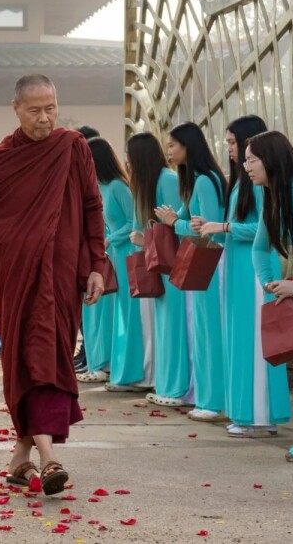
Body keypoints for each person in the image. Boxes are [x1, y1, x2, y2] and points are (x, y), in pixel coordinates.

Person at [0, 74, 106, 495]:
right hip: (17, 277)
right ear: (16, 109)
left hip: (62, 274)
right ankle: (48, 458)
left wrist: (97, 264)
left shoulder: (72, 147)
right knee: (32, 357)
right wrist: (22, 244)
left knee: (52, 354)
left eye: (51, 108)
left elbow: (92, 206)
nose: (45, 118)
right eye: (34, 110)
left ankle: (20, 458)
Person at [200, 117, 290, 437]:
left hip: (255, 271)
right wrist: (214, 230)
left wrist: (224, 227)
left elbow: (265, 229)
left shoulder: (260, 183)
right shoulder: (241, 181)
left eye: (232, 142)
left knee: (256, 341)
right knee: (239, 342)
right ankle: (244, 411)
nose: (229, 148)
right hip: (237, 269)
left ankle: (261, 417)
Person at [155, 122, 228, 422]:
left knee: (209, 333)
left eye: (173, 145)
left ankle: (214, 401)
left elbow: (209, 229)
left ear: (188, 146)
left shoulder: (205, 182)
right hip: (202, 264)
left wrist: (175, 223)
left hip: (208, 263)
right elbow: (190, 222)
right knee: (201, 333)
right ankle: (205, 397)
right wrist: (177, 221)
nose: (169, 151)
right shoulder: (197, 181)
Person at [246, 130, 293, 464]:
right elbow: (259, 249)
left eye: (252, 160)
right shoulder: (273, 198)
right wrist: (269, 284)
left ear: (271, 160)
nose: (246, 167)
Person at [126, 132, 190, 407]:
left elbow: (176, 228)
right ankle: (165, 384)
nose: (127, 161)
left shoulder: (167, 180)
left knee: (172, 327)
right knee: (161, 327)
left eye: (130, 155)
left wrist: (146, 240)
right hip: (156, 264)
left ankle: (176, 387)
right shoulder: (145, 183)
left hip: (171, 264)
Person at [85, 137, 151, 392]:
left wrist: (110, 239)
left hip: (125, 253)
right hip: (110, 255)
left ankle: (127, 370)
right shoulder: (98, 187)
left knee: (126, 311)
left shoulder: (117, 187)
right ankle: (111, 364)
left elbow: (134, 222)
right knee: (113, 313)